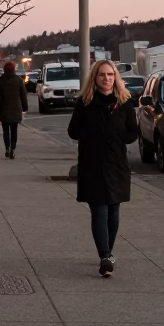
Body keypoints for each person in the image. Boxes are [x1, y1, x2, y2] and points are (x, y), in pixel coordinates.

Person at [67, 59, 139, 277]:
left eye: (110, 75)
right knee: (99, 210)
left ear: (115, 77)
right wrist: (91, 137)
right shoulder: (84, 102)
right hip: (93, 165)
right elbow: (73, 131)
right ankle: (105, 256)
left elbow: (132, 132)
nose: (106, 78)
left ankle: (108, 252)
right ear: (95, 78)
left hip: (117, 165)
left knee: (113, 212)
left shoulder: (124, 102)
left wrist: (119, 138)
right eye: (102, 75)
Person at [0, 60, 28, 158]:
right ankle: (13, 148)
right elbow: (23, 95)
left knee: (5, 130)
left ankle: (7, 147)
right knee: (14, 130)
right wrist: (25, 107)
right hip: (16, 108)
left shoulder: (1, 80)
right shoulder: (19, 80)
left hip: (4, 108)